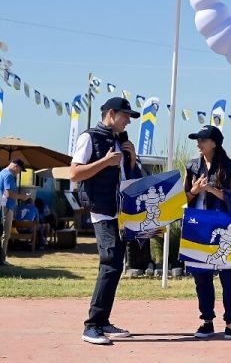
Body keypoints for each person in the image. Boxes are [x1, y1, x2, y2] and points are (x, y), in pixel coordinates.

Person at [71, 97, 140, 345]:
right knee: (110, 263)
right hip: (102, 209)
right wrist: (105, 162)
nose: (128, 121)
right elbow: (75, 172)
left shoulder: (121, 141)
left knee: (115, 264)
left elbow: (130, 177)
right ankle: (92, 325)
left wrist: (131, 160)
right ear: (111, 113)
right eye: (125, 116)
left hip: (121, 211)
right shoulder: (89, 138)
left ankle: (102, 322)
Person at [184, 125, 231, 340]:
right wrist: (195, 191)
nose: (198, 144)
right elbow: (183, 198)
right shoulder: (192, 166)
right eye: (197, 140)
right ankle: (206, 322)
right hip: (198, 227)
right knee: (201, 276)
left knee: (229, 276)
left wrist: (211, 190)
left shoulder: (229, 166)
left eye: (202, 140)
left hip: (224, 224)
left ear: (214, 143)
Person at [1, 159, 31, 264]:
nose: (19, 173)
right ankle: (2, 259)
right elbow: (9, 193)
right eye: (20, 170)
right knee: (6, 234)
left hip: (3, 205)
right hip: (6, 207)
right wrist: (23, 197)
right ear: (16, 166)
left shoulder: (1, 173)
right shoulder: (8, 175)